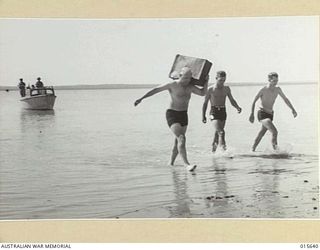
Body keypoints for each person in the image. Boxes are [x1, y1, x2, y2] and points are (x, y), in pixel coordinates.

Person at [134, 67, 208, 171]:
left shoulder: (190, 86)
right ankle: (187, 164)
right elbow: (156, 90)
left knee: (177, 140)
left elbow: (202, 93)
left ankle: (171, 163)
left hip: (184, 114)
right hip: (172, 114)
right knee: (181, 138)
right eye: (185, 78)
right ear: (180, 75)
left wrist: (206, 81)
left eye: (189, 78)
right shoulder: (172, 85)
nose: (187, 80)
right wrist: (141, 98)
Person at [249, 72, 297, 151]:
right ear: (269, 80)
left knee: (262, 132)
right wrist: (252, 114)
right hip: (262, 113)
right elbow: (254, 101)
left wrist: (293, 109)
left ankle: (252, 149)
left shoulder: (278, 89)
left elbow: (285, 99)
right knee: (274, 132)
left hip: (270, 114)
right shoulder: (263, 89)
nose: (276, 82)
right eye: (274, 81)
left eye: (277, 81)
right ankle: (276, 151)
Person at [202, 71, 242, 152]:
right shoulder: (210, 89)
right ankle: (224, 152)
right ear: (216, 79)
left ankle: (213, 153)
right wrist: (203, 115)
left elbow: (231, 100)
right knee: (221, 132)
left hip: (223, 111)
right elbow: (205, 103)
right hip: (214, 112)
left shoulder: (226, 89)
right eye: (220, 80)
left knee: (218, 133)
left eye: (224, 80)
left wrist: (237, 107)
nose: (222, 82)